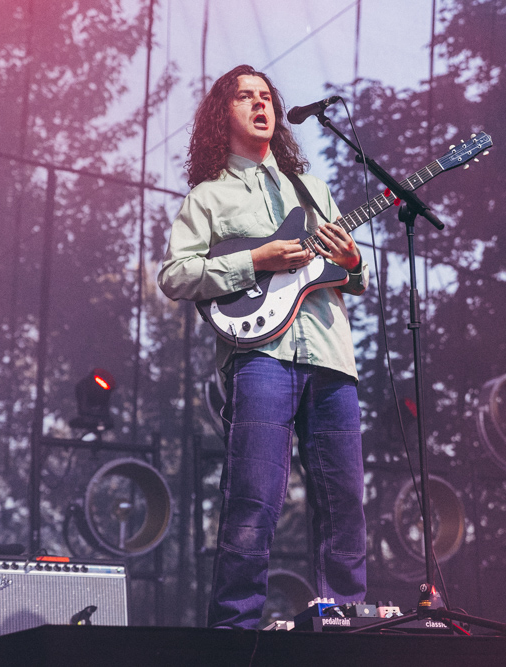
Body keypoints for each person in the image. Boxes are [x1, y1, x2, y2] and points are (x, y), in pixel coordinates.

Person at [157, 65, 369, 629]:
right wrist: (256, 259)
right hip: (259, 359)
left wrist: (352, 262)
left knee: (344, 501)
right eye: (245, 96)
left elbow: (354, 276)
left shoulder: (314, 190)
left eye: (266, 96)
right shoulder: (207, 197)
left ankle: (345, 622)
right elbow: (176, 276)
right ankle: (234, 630)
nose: (260, 104)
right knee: (254, 500)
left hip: (329, 355)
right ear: (221, 115)